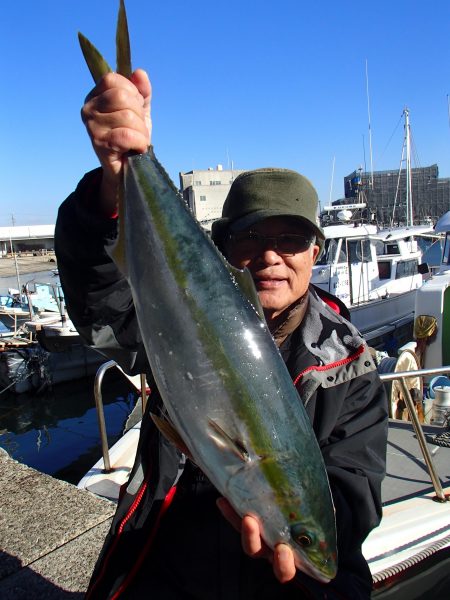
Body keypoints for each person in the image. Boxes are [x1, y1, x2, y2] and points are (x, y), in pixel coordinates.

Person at [55, 69, 388, 600]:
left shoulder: (353, 366)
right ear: (225, 248)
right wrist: (110, 192)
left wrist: (302, 538)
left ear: (316, 252)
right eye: (252, 235)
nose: (272, 255)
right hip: (159, 561)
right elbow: (101, 306)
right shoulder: (175, 315)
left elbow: (355, 494)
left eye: (292, 238)